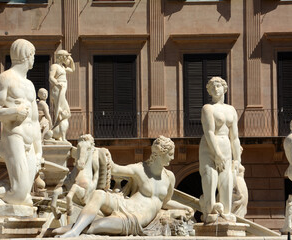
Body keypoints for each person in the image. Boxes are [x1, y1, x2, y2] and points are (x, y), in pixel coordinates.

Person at [55, 136, 194, 237]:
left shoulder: (169, 177)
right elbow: (115, 169)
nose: (172, 158)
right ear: (160, 154)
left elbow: (166, 201)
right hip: (125, 204)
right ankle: (74, 231)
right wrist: (102, 152)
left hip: (137, 217)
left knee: (100, 226)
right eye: (170, 154)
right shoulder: (140, 169)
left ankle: (71, 229)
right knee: (99, 195)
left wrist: (185, 207)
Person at [0, 39, 43, 206]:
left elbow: (35, 120)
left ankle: (2, 190)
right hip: (15, 136)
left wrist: (38, 150)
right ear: (26, 56)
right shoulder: (4, 78)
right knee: (21, 193)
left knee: (25, 196)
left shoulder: (30, 85)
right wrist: (15, 111)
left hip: (30, 140)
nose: (34, 59)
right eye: (33, 55)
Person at [198, 76, 241, 223]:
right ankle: (210, 211)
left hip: (226, 144)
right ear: (209, 91)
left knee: (227, 178)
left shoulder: (231, 110)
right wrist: (217, 154)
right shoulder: (207, 108)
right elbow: (209, 132)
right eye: (212, 87)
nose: (216, 89)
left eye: (218, 86)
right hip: (210, 145)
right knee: (210, 176)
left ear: (225, 88)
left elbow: (235, 138)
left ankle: (227, 213)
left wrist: (238, 160)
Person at [49, 49, 75, 143]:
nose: (67, 59)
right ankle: (56, 130)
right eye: (66, 57)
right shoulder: (54, 66)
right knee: (63, 110)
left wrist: (71, 59)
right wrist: (56, 83)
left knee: (63, 112)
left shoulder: (63, 67)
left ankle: (59, 133)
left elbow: (72, 69)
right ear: (61, 57)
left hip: (62, 88)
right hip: (58, 89)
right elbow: (51, 77)